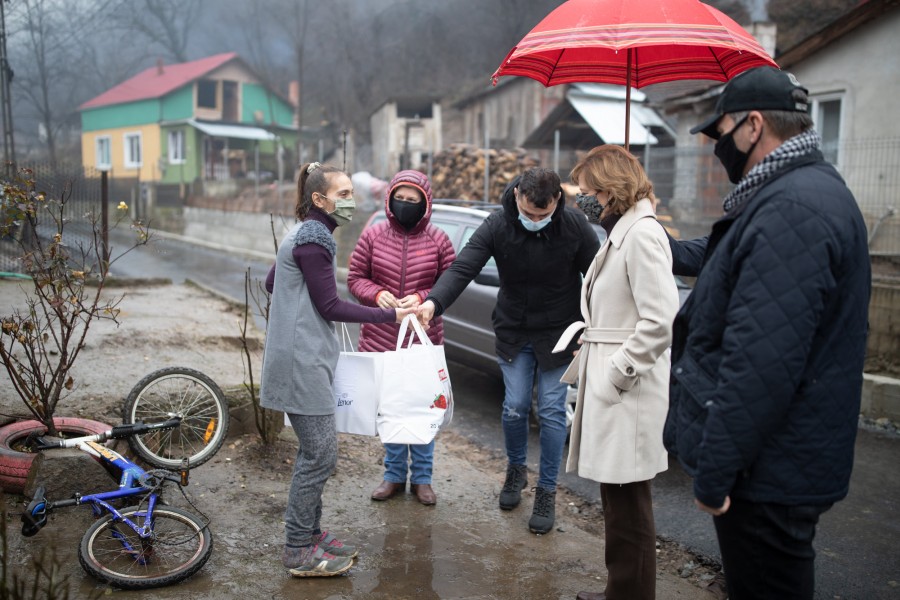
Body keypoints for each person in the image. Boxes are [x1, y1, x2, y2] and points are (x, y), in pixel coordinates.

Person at [665, 66, 872, 599]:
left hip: (768, 472)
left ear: (754, 125)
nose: (717, 146)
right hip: (776, 462)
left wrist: (715, 472)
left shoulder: (793, 209)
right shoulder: (793, 195)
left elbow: (761, 361)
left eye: (721, 131)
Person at [417, 167, 600, 534]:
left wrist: (593, 326)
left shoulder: (574, 226)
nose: (536, 220)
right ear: (517, 195)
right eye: (530, 214)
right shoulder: (497, 224)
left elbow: (599, 277)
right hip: (514, 330)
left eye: (543, 215)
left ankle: (547, 490)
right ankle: (516, 471)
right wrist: (433, 303)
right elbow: (463, 268)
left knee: (550, 411)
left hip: (560, 332)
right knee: (515, 407)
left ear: (556, 203)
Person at [260, 161, 416, 577]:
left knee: (317, 454)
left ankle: (310, 535)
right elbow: (329, 306)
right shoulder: (315, 237)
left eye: (351, 193)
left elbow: (272, 283)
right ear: (319, 199)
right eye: (343, 195)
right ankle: (297, 549)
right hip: (301, 362)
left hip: (300, 356)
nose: (351, 201)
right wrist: (389, 316)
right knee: (320, 456)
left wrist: (296, 314)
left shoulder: (303, 233)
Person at [554, 145, 679, 600]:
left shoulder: (642, 234)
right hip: (615, 382)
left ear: (611, 190)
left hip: (628, 390)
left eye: (588, 192)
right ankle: (619, 592)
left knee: (630, 505)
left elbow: (660, 319)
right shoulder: (622, 231)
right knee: (617, 500)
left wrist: (618, 372)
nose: (583, 199)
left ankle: (629, 596)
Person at [347, 169, 456, 506]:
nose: (406, 204)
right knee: (391, 411)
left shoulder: (439, 240)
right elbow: (354, 278)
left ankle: (423, 479)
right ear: (390, 198)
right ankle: (393, 475)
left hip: (423, 338)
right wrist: (376, 293)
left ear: (426, 203)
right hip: (380, 337)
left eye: (414, 200)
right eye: (401, 198)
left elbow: (449, 283)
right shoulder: (373, 235)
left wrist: (425, 298)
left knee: (424, 409)